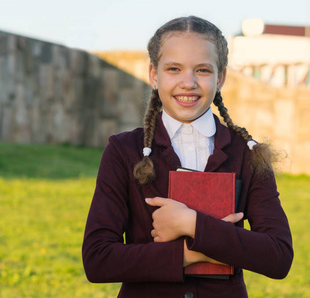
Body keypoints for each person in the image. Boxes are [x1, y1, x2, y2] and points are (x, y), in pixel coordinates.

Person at [82, 16, 293, 298]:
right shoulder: (123, 150)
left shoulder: (248, 154)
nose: (188, 82)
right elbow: (98, 260)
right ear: (154, 75)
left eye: (203, 70)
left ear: (220, 77)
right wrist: (192, 253)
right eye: (173, 69)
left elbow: (278, 256)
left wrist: (192, 223)